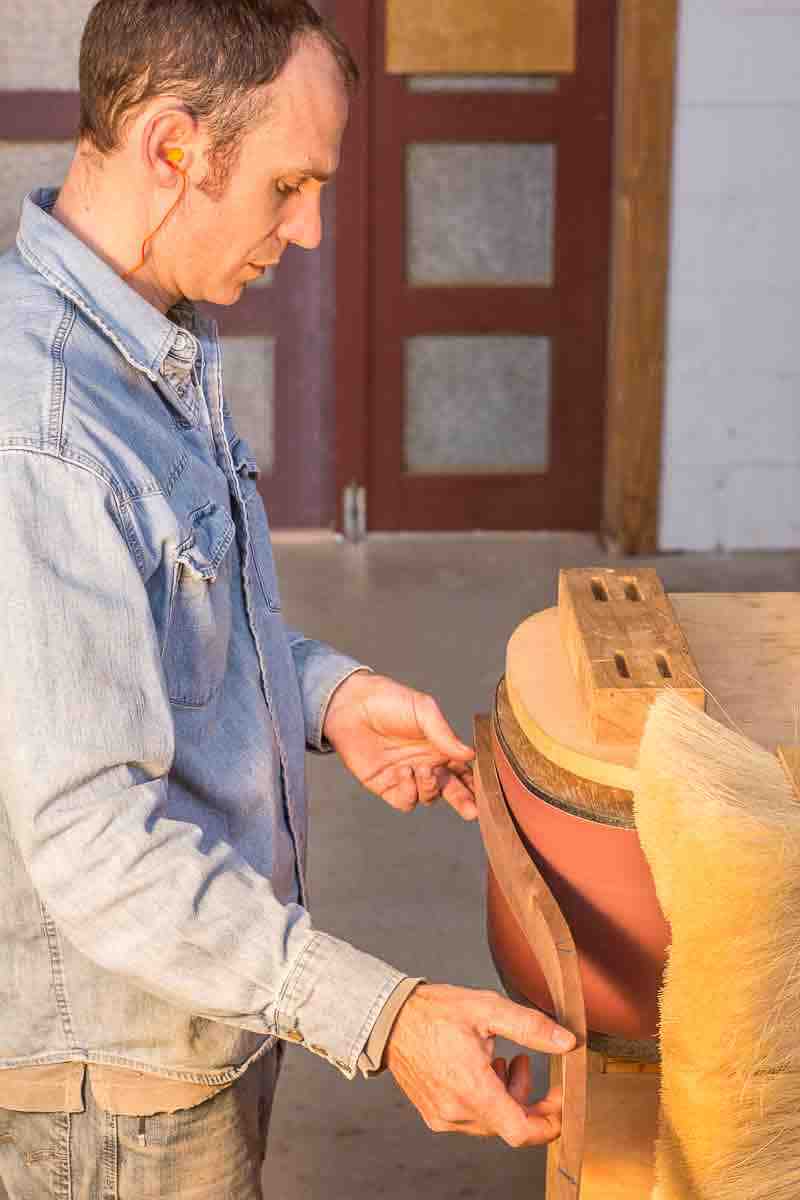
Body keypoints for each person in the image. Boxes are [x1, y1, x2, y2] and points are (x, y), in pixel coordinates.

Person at [0, 2, 576, 1195]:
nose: (309, 231)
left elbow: (155, 622)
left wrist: (329, 695)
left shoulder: (147, 335)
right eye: (287, 186)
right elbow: (97, 845)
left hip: (206, 1003)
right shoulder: (40, 434)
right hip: (116, 1094)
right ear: (173, 148)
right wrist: (384, 1013)